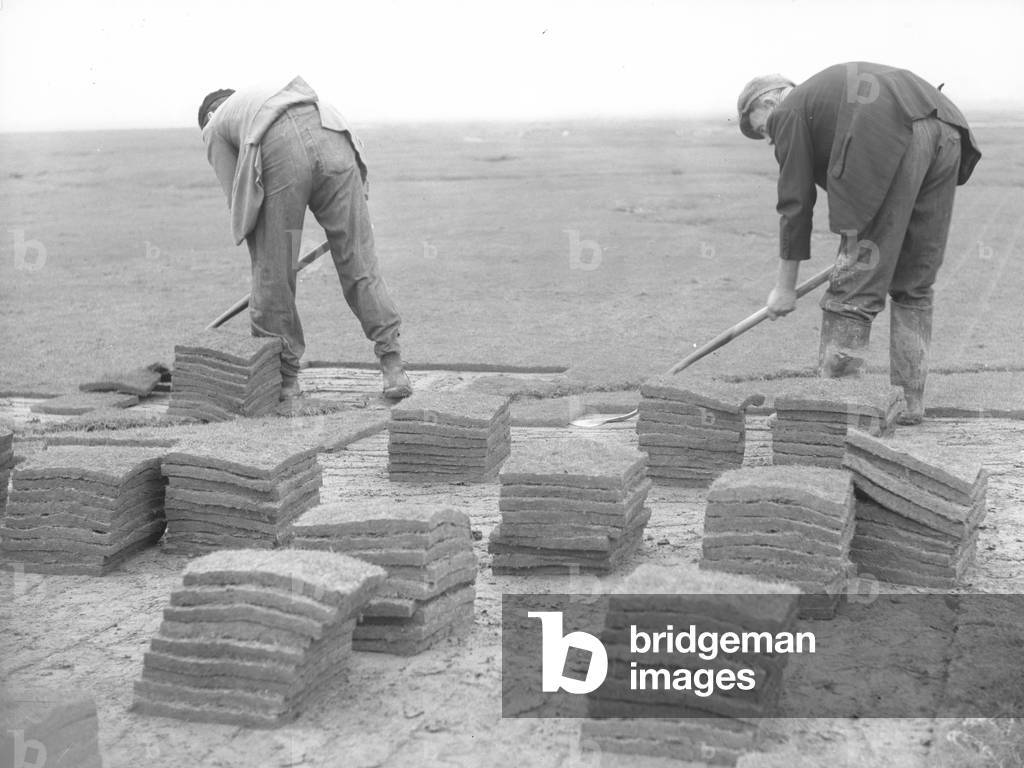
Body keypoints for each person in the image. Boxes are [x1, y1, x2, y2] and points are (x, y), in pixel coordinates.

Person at [736, 62, 981, 424]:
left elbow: (795, 204)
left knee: (850, 293)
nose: (771, 138)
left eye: (764, 129)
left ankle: (831, 412)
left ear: (769, 103)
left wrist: (784, 287)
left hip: (889, 135)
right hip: (945, 129)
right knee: (914, 284)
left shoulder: (788, 110)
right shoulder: (823, 100)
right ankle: (908, 405)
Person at [198, 75, 413, 400]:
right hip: (336, 135)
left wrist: (265, 270)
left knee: (274, 274)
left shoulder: (215, 126)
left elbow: (239, 202)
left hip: (281, 145)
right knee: (360, 262)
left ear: (210, 116)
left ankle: (286, 382)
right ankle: (393, 366)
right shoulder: (263, 94)